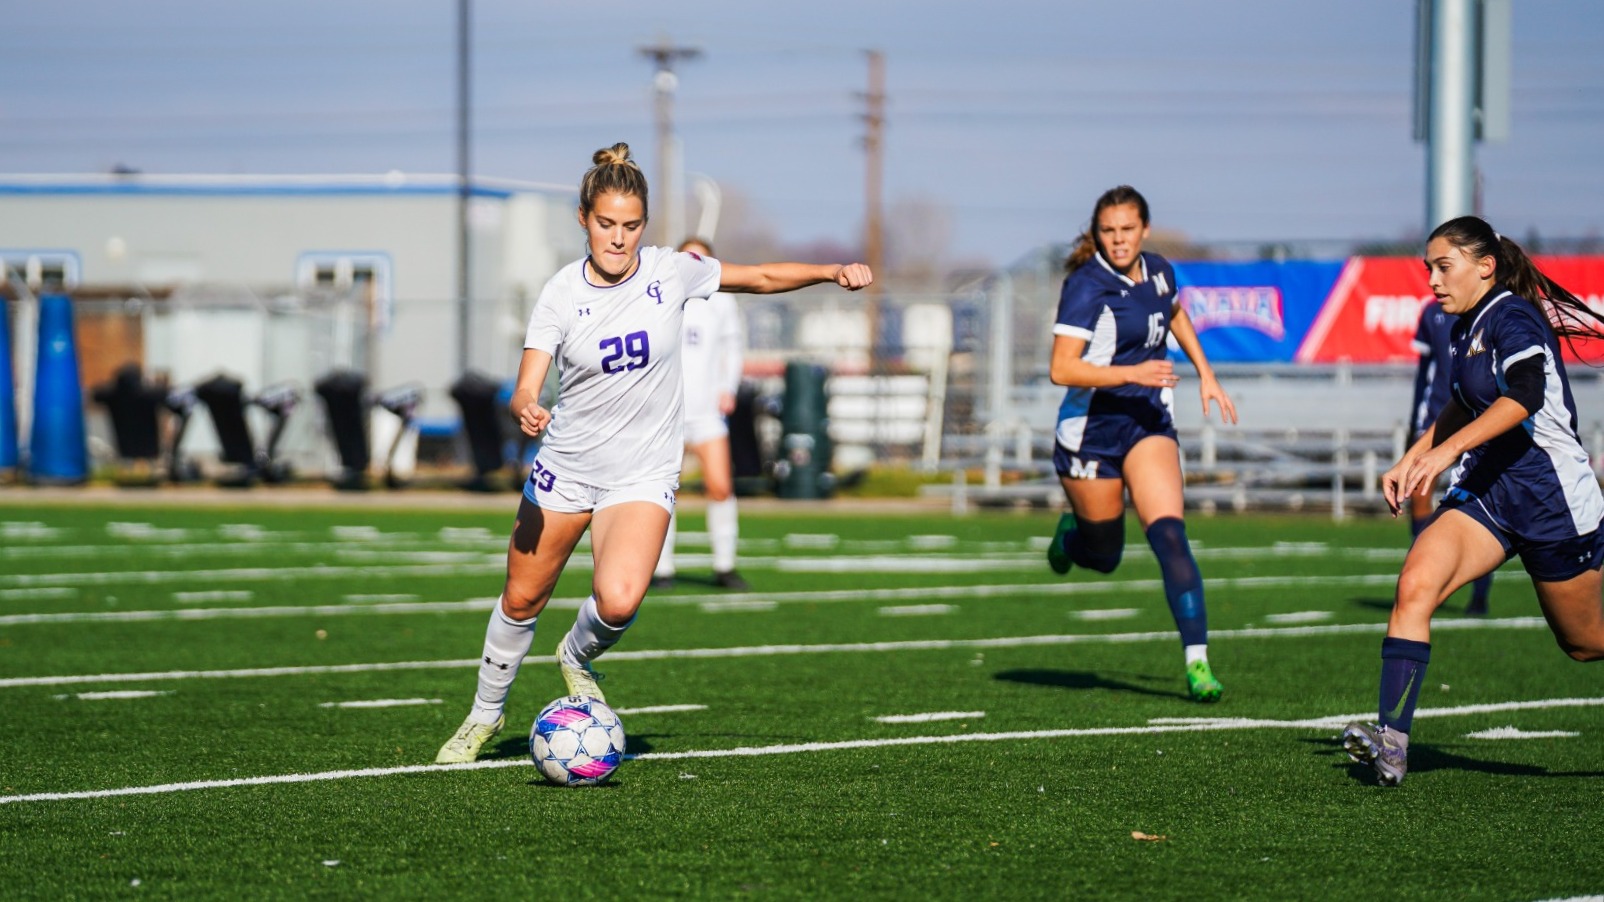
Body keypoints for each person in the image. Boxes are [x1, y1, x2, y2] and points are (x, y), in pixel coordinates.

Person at [435, 143, 872, 764]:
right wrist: (527, 405)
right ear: (583, 219)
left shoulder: (673, 271)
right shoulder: (560, 293)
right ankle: (483, 716)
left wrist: (830, 272)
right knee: (521, 600)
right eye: (606, 224)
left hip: (640, 472)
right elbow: (528, 379)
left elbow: (762, 278)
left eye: (631, 225)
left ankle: (575, 656)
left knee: (618, 601)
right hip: (567, 467)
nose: (619, 239)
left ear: (646, 224)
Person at [1344, 215, 1604, 786]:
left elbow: (1525, 397)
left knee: (1586, 645)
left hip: (1550, 498)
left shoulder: (1512, 316)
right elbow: (1461, 405)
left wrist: (1443, 456)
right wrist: (1412, 458)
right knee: (1415, 586)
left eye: (1444, 266)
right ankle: (1392, 745)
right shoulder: (1461, 325)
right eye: (1428, 269)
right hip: (1489, 492)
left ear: (1485, 267)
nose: (1433, 280)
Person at [1043, 185, 1238, 703]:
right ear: (1096, 234)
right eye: (1108, 231)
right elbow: (1061, 368)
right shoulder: (1086, 285)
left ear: (1144, 229)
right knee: (1104, 555)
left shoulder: (1159, 270)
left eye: (1127, 230)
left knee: (1170, 536)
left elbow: (1173, 313)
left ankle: (1197, 662)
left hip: (1147, 421)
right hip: (1093, 430)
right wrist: (1133, 371)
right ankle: (1072, 538)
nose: (1118, 239)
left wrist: (1207, 373)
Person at [652, 237, 749, 591]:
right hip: (668, 412)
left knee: (721, 487)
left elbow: (733, 346)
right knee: (662, 492)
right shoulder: (661, 294)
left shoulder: (722, 300)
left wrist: (729, 387)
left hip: (707, 411)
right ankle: (662, 568)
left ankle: (725, 565)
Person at [1410, 299, 1493, 615]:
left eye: (1443, 267)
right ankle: (1426, 578)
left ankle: (1480, 595)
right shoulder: (1432, 314)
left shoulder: (1491, 314)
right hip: (1435, 418)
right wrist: (1414, 423)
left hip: (1476, 420)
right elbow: (1424, 373)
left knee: (1478, 505)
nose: (1436, 280)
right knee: (1419, 495)